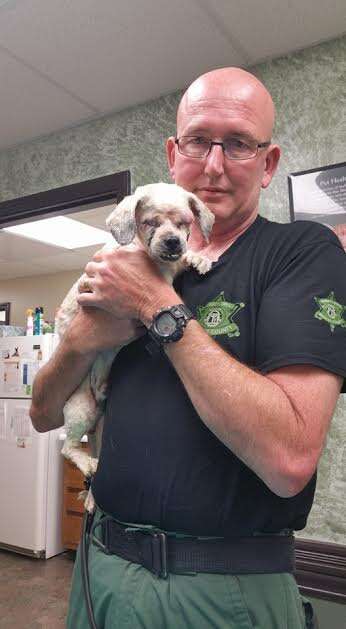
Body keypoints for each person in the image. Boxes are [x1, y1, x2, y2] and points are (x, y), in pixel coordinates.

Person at [30, 67, 346, 629]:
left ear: (268, 163)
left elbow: (289, 460)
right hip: (98, 565)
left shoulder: (301, 253)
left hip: (223, 586)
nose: (215, 163)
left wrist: (156, 305)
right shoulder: (117, 268)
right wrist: (79, 340)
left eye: (241, 143)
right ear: (174, 153)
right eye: (199, 140)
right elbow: (42, 414)